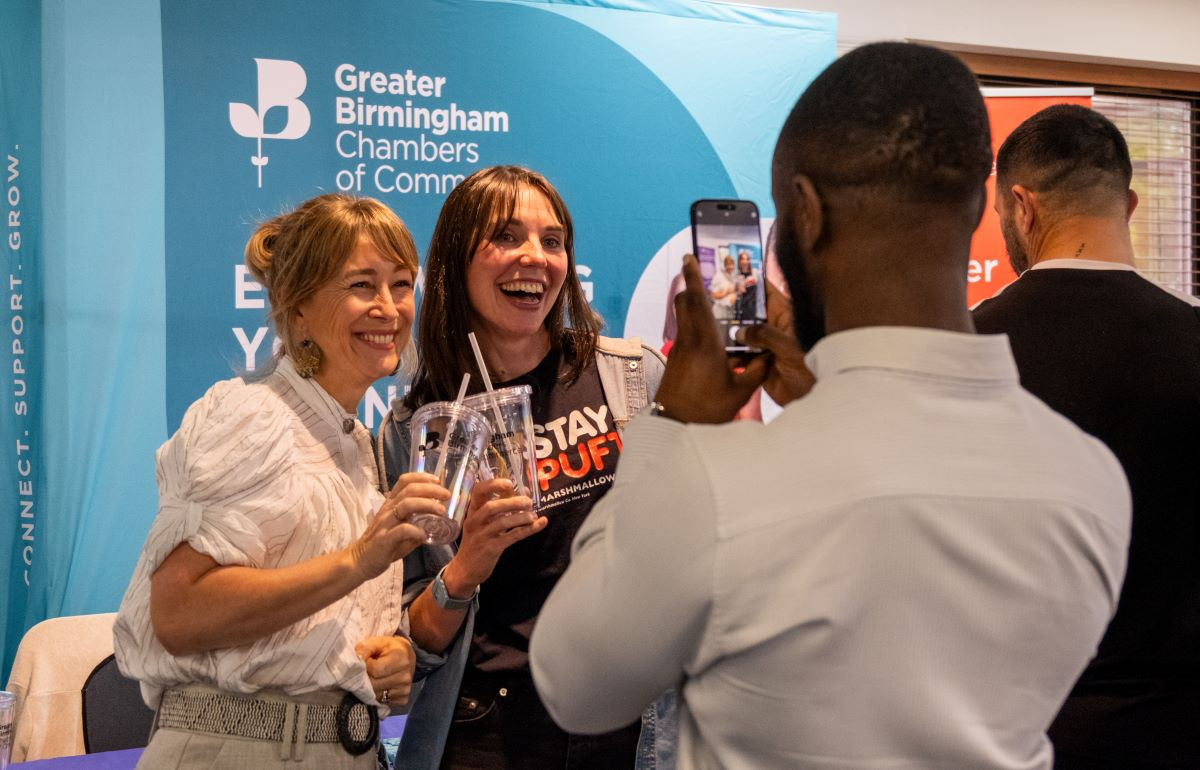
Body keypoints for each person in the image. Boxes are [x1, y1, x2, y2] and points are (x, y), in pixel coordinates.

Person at [529, 42, 1131, 770]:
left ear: (806, 216)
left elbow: (576, 686)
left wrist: (674, 425)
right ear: (980, 203)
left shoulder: (720, 484)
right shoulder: (1090, 480)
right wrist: (825, 396)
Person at [114, 194, 444, 768]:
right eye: (361, 285)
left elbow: (309, 624)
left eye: (400, 283)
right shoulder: (254, 415)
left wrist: (385, 663)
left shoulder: (354, 442)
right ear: (297, 312)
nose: (389, 308)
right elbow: (177, 613)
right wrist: (358, 560)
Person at [376, 165, 668, 769]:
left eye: (552, 240)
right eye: (506, 237)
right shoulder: (416, 428)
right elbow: (412, 642)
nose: (534, 257)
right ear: (457, 261)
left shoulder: (629, 376)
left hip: (625, 726)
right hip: (485, 730)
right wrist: (467, 564)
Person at [972, 104, 1200, 770]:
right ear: (1128, 204)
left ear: (1021, 206)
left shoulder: (961, 349)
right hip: (1176, 731)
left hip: (1010, 732)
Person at [733, 249, 762, 321]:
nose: (745, 261)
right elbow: (736, 294)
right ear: (739, 261)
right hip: (743, 308)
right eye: (742, 259)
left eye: (747, 259)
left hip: (755, 307)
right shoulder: (736, 276)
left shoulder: (755, 273)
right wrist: (738, 291)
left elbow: (761, 289)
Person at [707, 253, 738, 321]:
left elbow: (734, 292)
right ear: (725, 265)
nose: (731, 267)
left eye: (732, 264)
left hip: (730, 311)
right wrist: (727, 292)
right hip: (720, 311)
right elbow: (713, 295)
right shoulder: (718, 276)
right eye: (728, 264)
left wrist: (735, 295)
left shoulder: (733, 277)